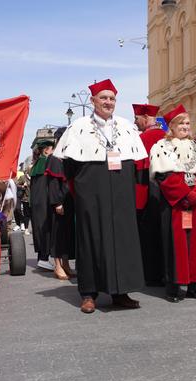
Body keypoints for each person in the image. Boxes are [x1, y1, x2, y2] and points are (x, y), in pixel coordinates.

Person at [54, 78, 147, 313]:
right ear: (93, 100)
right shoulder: (79, 127)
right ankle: (89, 294)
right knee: (91, 239)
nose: (108, 102)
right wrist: (81, 191)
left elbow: (138, 165)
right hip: (92, 193)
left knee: (122, 241)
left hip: (121, 192)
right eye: (103, 98)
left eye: (112, 98)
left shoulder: (126, 126)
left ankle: (120, 292)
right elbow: (68, 166)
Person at [149, 104, 196, 302]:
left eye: (188, 123)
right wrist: (184, 195)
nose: (186, 127)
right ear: (171, 126)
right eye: (181, 123)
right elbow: (163, 176)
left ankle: (195, 286)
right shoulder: (161, 147)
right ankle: (173, 287)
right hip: (175, 205)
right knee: (174, 245)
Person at [133, 103, 166, 286]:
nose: (135, 122)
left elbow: (138, 172)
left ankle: (151, 274)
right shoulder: (167, 137)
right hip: (168, 193)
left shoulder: (142, 139)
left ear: (145, 118)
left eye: (137, 119)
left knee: (149, 235)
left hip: (147, 192)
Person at [45, 152, 76, 280]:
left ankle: (66, 264)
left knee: (67, 234)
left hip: (69, 202)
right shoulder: (54, 158)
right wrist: (57, 203)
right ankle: (57, 266)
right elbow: (53, 184)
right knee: (58, 234)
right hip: (59, 203)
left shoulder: (68, 157)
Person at [29, 140, 55, 270]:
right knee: (44, 228)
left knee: (40, 229)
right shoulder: (45, 162)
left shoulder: (38, 163)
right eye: (52, 149)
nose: (53, 152)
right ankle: (44, 258)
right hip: (43, 202)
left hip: (37, 202)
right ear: (46, 150)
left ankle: (42, 258)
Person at [15, 164, 31, 234]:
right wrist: (22, 186)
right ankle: (26, 228)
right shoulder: (23, 177)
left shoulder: (35, 177)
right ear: (28, 170)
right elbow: (16, 185)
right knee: (26, 214)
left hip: (34, 199)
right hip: (26, 198)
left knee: (34, 215)